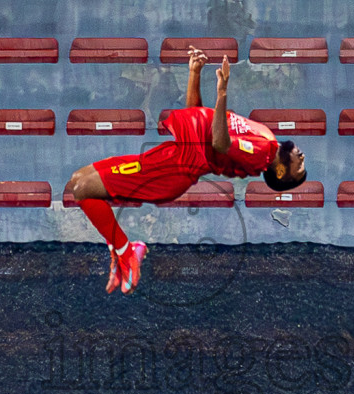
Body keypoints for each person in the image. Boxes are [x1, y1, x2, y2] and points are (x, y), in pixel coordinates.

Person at [65, 47, 309, 294]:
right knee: (78, 179)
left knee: (83, 189)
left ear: (280, 172)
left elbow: (219, 143)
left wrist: (222, 92)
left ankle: (128, 252)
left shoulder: (261, 155)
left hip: (173, 170)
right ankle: (119, 252)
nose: (302, 158)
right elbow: (199, 118)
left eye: (299, 168)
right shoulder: (268, 139)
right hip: (172, 154)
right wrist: (195, 73)